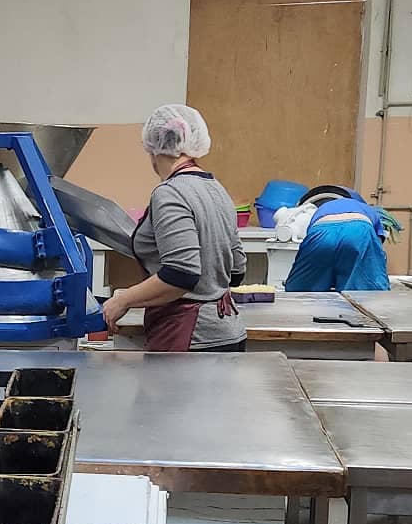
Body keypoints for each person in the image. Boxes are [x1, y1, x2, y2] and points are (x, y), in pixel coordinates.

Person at [99, 104, 247, 352]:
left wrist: (123, 299)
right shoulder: (216, 189)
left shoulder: (170, 193)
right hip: (228, 333)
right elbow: (237, 271)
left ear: (154, 148)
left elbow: (182, 274)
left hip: (191, 339)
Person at [283, 195, 391, 292]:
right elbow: (376, 249)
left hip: (321, 231)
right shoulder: (369, 210)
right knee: (369, 290)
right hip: (358, 229)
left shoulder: (323, 208)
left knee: (300, 290)